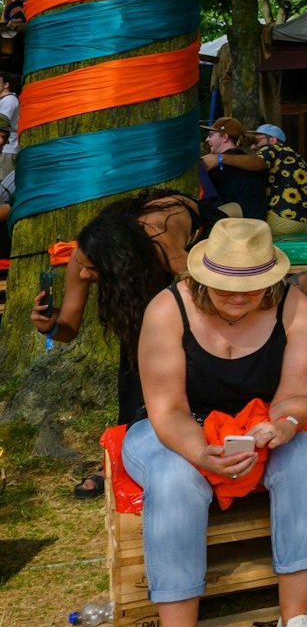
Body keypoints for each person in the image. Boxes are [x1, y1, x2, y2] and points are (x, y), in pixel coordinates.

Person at [124, 219, 307, 627]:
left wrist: (283, 424)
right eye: (225, 287)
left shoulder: (292, 304)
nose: (238, 296)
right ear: (201, 278)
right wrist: (200, 452)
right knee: (176, 476)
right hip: (171, 427)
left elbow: (299, 392)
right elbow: (167, 409)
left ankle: (296, 621)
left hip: (258, 425)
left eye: (251, 286)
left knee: (304, 452)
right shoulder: (167, 309)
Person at [35, 191, 207, 497]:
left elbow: (204, 312)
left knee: (181, 349)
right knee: (134, 349)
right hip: (140, 268)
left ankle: (189, 433)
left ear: (118, 266)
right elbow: (68, 329)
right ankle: (122, 447)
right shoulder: (85, 255)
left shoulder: (165, 247)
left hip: (202, 240)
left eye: (94, 271)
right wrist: (50, 327)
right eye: (83, 265)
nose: (85, 274)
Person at [249, 124, 307, 237]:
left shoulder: (273, 148)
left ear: (273, 140)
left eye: (256, 141)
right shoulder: (291, 155)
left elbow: (257, 164)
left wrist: (220, 159)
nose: (252, 147)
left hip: (287, 218)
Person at [200, 118, 268, 220]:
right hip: (259, 225)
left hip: (233, 227)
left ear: (225, 137)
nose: (207, 139)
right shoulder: (249, 161)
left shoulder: (215, 164)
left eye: (211, 135)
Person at [0, 71, 17, 179]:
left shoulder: (9, 100)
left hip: (7, 149)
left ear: (6, 85)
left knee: (4, 186)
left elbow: (2, 122)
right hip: (4, 149)